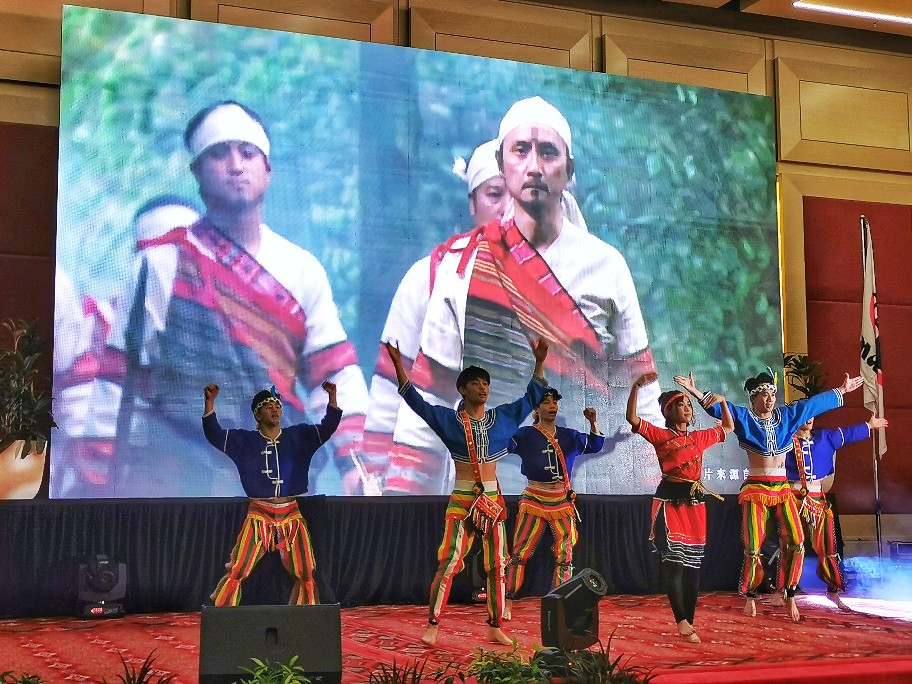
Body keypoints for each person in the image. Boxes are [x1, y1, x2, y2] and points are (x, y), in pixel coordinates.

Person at [383, 96, 661, 496]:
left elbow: (641, 389)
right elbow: (432, 393)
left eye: (547, 152)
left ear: (569, 169)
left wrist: (653, 488)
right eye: (520, 150)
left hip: (585, 488)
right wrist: (402, 499)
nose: (533, 166)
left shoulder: (607, 266)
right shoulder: (462, 266)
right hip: (484, 492)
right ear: (501, 163)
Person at [100, 101, 367, 496]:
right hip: (177, 483)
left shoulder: (302, 269)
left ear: (268, 169)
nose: (236, 165)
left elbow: (333, 372)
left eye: (248, 152)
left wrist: (354, 461)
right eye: (218, 153)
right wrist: (108, 478)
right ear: (197, 171)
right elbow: (118, 382)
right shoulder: (161, 264)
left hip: (278, 481)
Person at [383, 337, 549, 647]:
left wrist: (539, 362)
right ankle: (433, 623)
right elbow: (417, 402)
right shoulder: (449, 421)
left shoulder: (502, 418)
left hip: (493, 500)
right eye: (475, 383)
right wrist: (397, 365)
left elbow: (531, 397)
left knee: (498, 564)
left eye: (485, 383)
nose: (482, 388)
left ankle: (495, 626)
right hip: (462, 499)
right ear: (462, 390)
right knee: (450, 561)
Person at [364, 139, 508, 492]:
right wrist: (375, 475)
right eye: (494, 194)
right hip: (434, 478)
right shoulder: (427, 277)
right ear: (472, 203)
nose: (507, 208)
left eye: (517, 196)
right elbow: (390, 384)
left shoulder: (562, 283)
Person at [675, 369, 862, 621]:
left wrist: (841, 390)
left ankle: (790, 594)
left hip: (783, 489)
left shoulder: (787, 417)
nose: (769, 399)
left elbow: (813, 405)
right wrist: (695, 391)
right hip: (756, 488)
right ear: (753, 399)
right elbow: (718, 408)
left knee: (797, 541)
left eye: (772, 394)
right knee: (754, 543)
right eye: (763, 395)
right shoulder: (745, 418)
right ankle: (751, 594)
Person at [203, 381, 340, 606]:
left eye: (277, 406)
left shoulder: (298, 436)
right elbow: (215, 434)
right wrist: (209, 402)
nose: (275, 409)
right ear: (258, 414)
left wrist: (332, 398)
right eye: (269, 407)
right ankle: (224, 615)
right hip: (259, 514)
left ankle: (305, 616)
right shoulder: (245, 441)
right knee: (239, 568)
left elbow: (327, 428)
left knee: (305, 569)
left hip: (291, 515)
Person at [627, 372, 733, 643]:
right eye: (681, 404)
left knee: (693, 566)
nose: (687, 408)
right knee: (674, 564)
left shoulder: (699, 438)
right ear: (668, 411)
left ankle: (690, 621)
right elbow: (633, 419)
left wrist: (722, 402)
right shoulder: (661, 436)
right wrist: (636, 386)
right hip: (670, 504)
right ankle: (680, 619)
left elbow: (728, 427)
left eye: (689, 405)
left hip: (695, 505)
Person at [503, 388, 604, 618]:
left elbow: (595, 444)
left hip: (561, 501)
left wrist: (593, 421)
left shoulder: (569, 436)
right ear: (536, 409)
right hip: (533, 498)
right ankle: (507, 601)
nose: (552, 407)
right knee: (520, 552)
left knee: (565, 554)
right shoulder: (525, 435)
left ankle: (560, 604)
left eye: (554, 403)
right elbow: (503, 444)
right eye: (546, 402)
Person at [772, 414, 888, 611]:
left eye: (811, 416)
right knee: (791, 545)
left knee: (828, 547)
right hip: (792, 498)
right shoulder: (785, 440)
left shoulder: (825, 437)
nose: (809, 420)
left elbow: (848, 434)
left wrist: (869, 425)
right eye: (805, 416)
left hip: (818, 500)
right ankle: (782, 590)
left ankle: (833, 590)